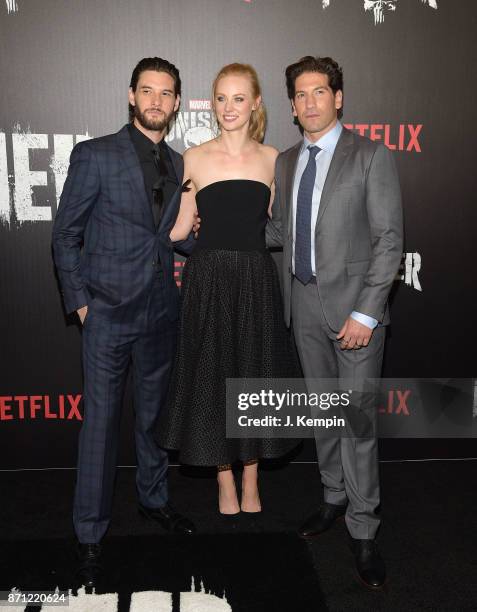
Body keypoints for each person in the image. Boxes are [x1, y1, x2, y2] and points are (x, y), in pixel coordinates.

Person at [52, 57, 197, 587]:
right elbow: (65, 235)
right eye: (147, 91)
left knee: (154, 419)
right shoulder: (94, 155)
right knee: (101, 426)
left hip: (163, 312)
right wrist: (82, 303)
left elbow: (179, 238)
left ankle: (154, 500)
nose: (156, 101)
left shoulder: (182, 164)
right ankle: (89, 534)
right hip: (108, 314)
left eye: (166, 93)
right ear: (131, 96)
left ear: (177, 102)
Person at [266, 56, 403, 588]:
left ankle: (364, 530)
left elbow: (390, 239)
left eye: (319, 91)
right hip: (302, 305)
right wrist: (222, 225)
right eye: (300, 95)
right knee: (324, 415)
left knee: (357, 422)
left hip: (355, 313)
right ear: (293, 104)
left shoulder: (371, 155)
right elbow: (280, 232)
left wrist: (366, 312)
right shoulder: (284, 161)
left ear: (338, 97)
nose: (309, 102)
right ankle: (331, 497)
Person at [157, 63, 298, 515]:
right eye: (221, 98)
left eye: (239, 98)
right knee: (212, 375)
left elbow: (279, 228)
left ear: (255, 103)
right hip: (208, 279)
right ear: (212, 103)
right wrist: (181, 229)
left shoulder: (274, 159)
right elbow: (178, 231)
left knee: (254, 373)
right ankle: (223, 477)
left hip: (256, 279)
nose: (229, 107)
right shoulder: (192, 158)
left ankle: (252, 476)